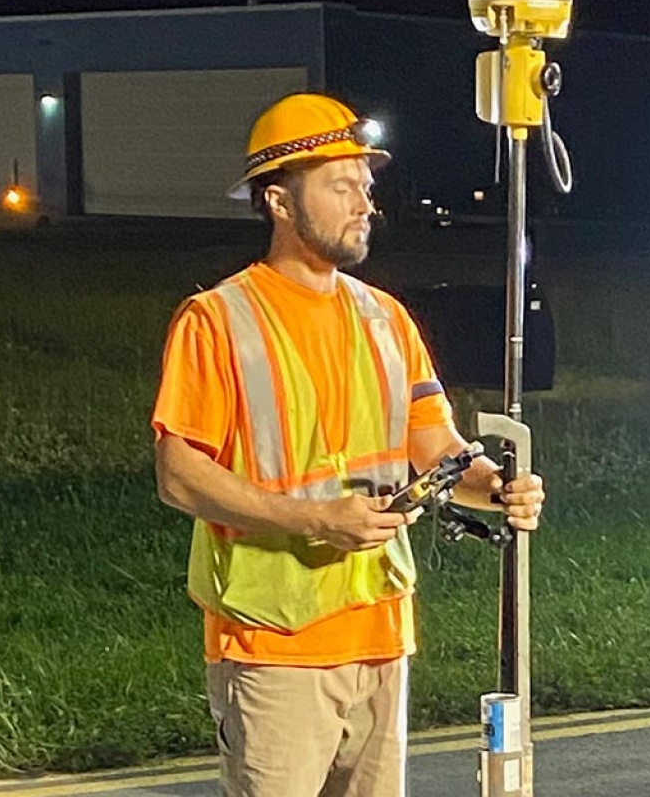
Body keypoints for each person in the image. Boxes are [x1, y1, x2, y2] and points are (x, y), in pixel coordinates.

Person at [151, 92, 546, 797]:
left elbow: (437, 446)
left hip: (381, 636)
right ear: (279, 201)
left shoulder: (384, 317)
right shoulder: (218, 320)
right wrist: (314, 519)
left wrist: (494, 487)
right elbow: (179, 476)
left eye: (365, 186)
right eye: (341, 186)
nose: (366, 204)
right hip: (275, 646)